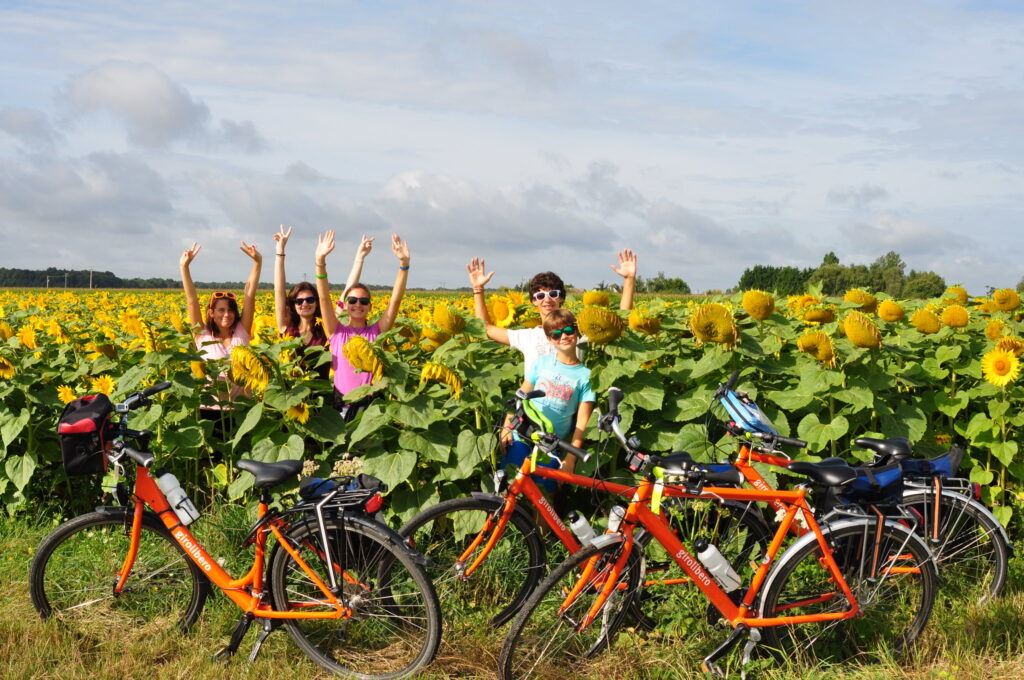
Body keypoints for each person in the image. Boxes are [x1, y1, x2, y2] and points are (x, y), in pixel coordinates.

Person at [466, 249, 637, 376]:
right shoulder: (528, 337)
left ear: (561, 298)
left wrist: (629, 280)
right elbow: (486, 329)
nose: (547, 300)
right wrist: (477, 288)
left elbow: (618, 325)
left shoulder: (575, 331)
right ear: (533, 301)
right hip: (535, 409)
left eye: (553, 294)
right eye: (540, 295)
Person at [314, 229, 411, 420]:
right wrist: (320, 262)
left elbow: (395, 301)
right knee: (344, 450)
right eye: (352, 300)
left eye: (363, 301)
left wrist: (404, 265)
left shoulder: (376, 332)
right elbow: (324, 299)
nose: (358, 304)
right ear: (346, 304)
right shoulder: (336, 331)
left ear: (369, 306)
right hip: (342, 408)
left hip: (372, 410)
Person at [507, 309, 596, 489]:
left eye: (569, 331)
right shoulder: (542, 363)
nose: (563, 336)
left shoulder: (586, 376)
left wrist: (570, 459)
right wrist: (507, 427)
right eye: (556, 334)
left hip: (551, 446)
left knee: (543, 498)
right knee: (510, 488)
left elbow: (581, 424)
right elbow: (520, 396)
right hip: (522, 436)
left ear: (577, 332)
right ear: (549, 339)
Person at [180, 240, 262, 401]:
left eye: (231, 310)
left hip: (241, 410)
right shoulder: (202, 335)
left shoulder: (241, 332)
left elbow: (249, 296)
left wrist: (257, 262)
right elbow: (192, 301)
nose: (227, 314)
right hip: (210, 411)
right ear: (211, 313)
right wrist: (184, 267)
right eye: (221, 310)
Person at [272, 225, 329, 380]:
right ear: (293, 304)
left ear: (317, 302)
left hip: (320, 397)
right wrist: (280, 251)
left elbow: (341, 298)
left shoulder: (325, 329)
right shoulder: (287, 326)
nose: (305, 304)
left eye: (310, 299)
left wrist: (360, 258)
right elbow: (278, 290)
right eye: (299, 300)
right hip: (292, 396)